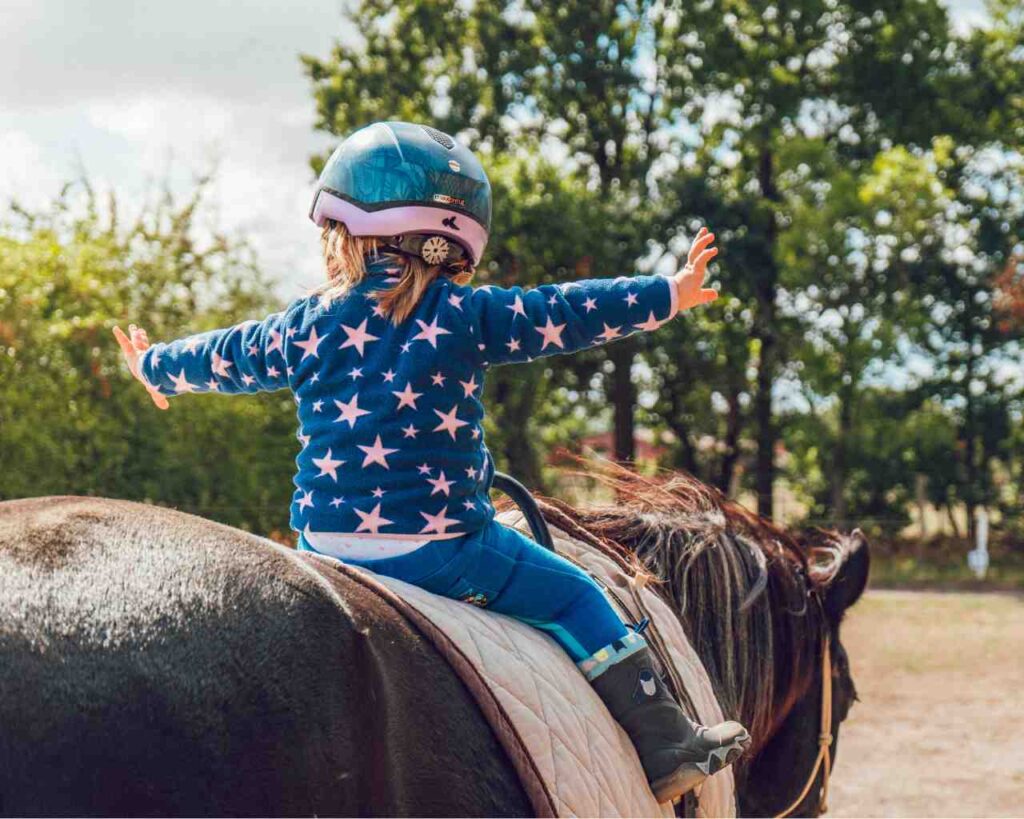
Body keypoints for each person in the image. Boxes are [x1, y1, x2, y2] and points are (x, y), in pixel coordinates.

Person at [115, 121, 749, 802]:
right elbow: (566, 310)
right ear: (456, 245)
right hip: (442, 549)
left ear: (343, 233)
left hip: (324, 548)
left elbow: (229, 355)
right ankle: (665, 743)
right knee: (576, 594)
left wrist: (155, 366)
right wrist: (669, 294)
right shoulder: (466, 314)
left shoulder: (303, 322)